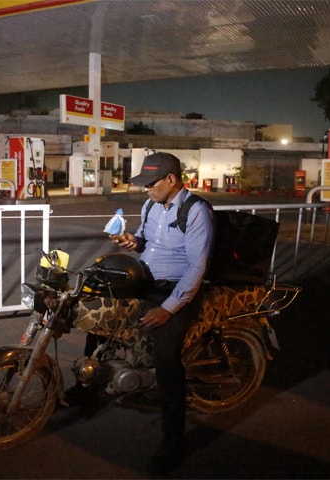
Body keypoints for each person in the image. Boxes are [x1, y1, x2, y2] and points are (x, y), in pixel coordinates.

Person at [112, 152, 215, 474]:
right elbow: (148, 241)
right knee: (99, 307)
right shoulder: (151, 206)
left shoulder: (196, 211)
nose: (145, 190)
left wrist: (168, 310)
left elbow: (198, 266)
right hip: (146, 279)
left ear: (171, 180)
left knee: (167, 360)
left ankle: (173, 440)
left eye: (150, 183)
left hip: (175, 290)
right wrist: (134, 242)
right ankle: (87, 387)